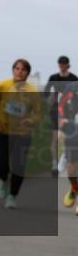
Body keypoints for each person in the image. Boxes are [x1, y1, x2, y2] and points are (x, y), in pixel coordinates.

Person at [0, 59, 41, 209]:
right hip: (3, 132)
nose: (19, 72)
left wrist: (30, 121)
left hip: (22, 135)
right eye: (17, 68)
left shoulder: (33, 92)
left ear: (27, 73)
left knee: (18, 167)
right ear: (13, 70)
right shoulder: (2, 86)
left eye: (23, 70)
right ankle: (3, 180)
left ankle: (12, 196)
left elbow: (38, 114)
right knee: (1, 165)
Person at [47, 55, 77, 177]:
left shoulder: (74, 78)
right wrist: (50, 98)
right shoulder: (53, 78)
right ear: (59, 65)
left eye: (64, 64)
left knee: (72, 140)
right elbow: (46, 93)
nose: (62, 66)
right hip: (57, 112)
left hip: (71, 114)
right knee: (56, 138)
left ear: (68, 65)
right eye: (61, 64)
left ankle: (64, 161)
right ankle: (55, 164)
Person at [57, 77, 78, 215]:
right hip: (73, 130)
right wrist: (62, 119)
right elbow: (61, 106)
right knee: (71, 168)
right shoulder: (72, 87)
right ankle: (74, 187)